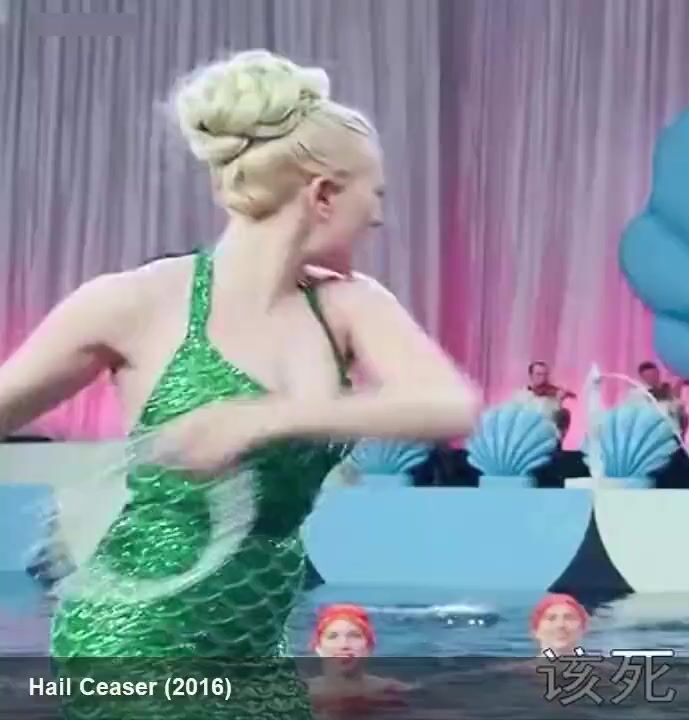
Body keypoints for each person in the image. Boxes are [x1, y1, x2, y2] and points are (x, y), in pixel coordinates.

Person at [0, 50, 479, 718]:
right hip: (135, 639)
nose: (377, 218)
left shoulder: (349, 305)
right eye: (376, 195)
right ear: (322, 195)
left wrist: (264, 417)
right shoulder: (136, 302)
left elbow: (450, 405)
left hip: (254, 645)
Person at [307, 604, 415, 717]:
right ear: (318, 648)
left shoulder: (393, 691)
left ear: (369, 647)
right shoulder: (300, 693)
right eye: (333, 636)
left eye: (354, 636)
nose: (344, 645)